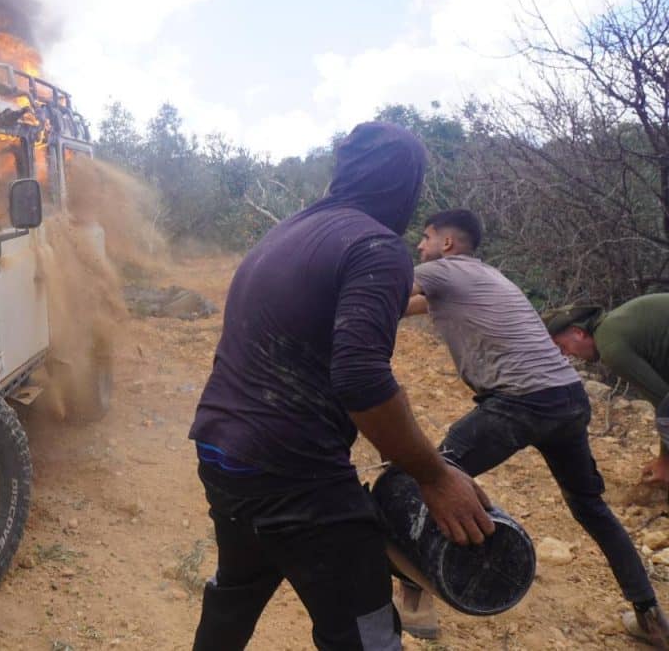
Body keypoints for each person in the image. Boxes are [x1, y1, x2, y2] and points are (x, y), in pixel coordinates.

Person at [189, 123, 493, 651]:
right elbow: (360, 377)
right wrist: (433, 475)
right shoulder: (376, 246)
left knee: (236, 592)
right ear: (406, 187)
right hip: (295, 474)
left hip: (221, 453)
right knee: (365, 633)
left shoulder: (284, 233)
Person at [402, 209, 668, 647]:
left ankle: (414, 602)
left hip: (519, 402)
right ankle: (650, 615)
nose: (419, 246)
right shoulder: (484, 277)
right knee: (590, 508)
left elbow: (381, 291)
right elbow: (401, 305)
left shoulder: (441, 270)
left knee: (429, 478)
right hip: (567, 398)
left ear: (446, 244)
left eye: (425, 238)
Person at [546, 295, 669, 486]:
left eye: (563, 346)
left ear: (578, 333)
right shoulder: (614, 327)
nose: (567, 354)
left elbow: (664, 406)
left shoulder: (610, 347)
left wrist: (664, 462)